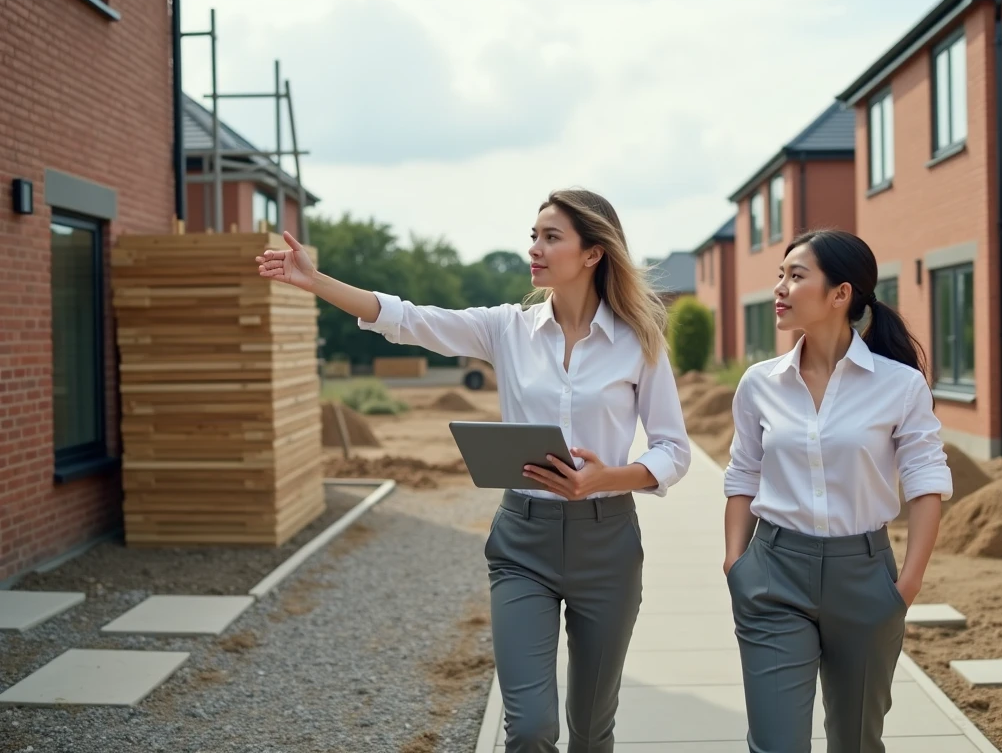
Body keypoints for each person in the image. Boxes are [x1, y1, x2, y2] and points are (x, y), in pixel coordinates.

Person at [256, 189, 691, 753]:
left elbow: (672, 450)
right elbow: (408, 319)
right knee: (531, 728)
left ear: (592, 253)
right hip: (522, 545)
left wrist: (605, 478)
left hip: (607, 545)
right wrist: (317, 283)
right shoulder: (505, 328)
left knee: (591, 729)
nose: (534, 248)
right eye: (533, 235)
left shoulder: (638, 341)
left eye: (551, 237)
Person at [722, 229, 952, 753]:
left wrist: (907, 585)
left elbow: (926, 482)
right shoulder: (759, 383)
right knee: (777, 743)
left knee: (856, 742)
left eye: (795, 276)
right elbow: (743, 474)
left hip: (866, 580)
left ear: (841, 294)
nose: (779, 287)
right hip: (772, 577)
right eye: (780, 274)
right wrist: (736, 563)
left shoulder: (900, 385)